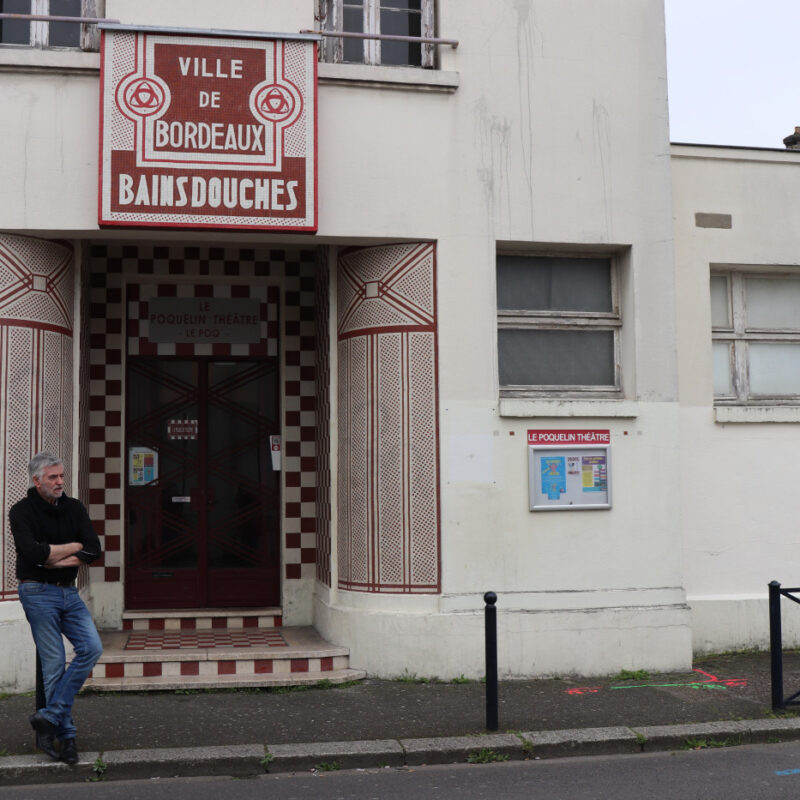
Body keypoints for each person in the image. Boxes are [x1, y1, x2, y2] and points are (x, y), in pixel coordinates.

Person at [9, 453, 103, 766]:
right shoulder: (21, 511)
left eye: (61, 476)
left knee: (91, 648)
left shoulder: (74, 508)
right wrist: (74, 547)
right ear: (37, 481)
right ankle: (67, 738)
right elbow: (34, 554)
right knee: (53, 664)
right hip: (36, 591)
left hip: (69, 593)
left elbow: (94, 550)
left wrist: (55, 555)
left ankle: (49, 716)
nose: (60, 481)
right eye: (53, 477)